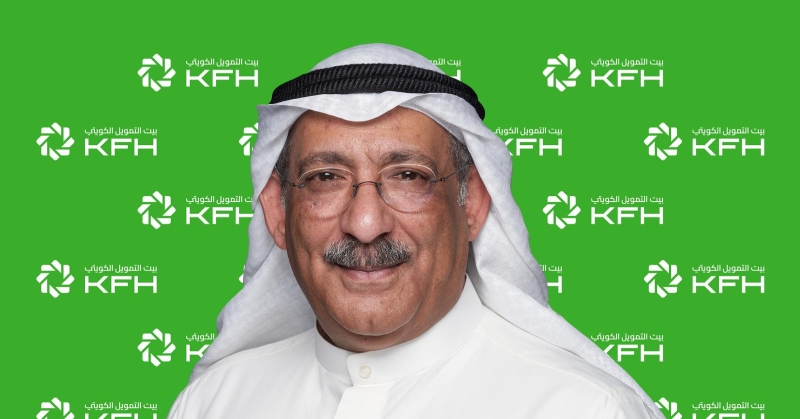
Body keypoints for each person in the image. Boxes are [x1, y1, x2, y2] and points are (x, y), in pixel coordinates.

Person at [168, 43, 663, 419]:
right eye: (326, 178)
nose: (366, 225)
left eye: (408, 176)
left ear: (473, 204)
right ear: (278, 211)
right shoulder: (212, 404)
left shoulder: (582, 408)